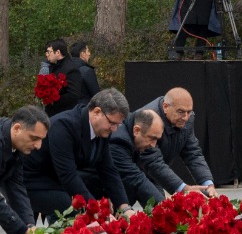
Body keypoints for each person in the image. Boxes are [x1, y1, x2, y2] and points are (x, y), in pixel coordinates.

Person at [22, 88, 130, 219]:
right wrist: (97, 208)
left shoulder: (102, 130)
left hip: (56, 181)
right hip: (32, 180)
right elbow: (68, 175)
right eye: (112, 123)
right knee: (69, 207)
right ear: (97, 112)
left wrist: (125, 208)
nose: (114, 129)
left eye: (118, 125)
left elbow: (108, 170)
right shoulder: (65, 126)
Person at [137, 89, 219, 199]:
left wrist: (208, 185)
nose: (185, 117)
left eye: (189, 112)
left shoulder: (187, 120)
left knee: (161, 210)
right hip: (131, 172)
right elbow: (153, 162)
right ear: (165, 107)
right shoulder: (148, 120)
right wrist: (184, 189)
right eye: (180, 112)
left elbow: (192, 153)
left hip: (152, 175)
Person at [108, 105, 171, 207]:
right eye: (152, 138)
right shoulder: (119, 142)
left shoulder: (140, 140)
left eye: (157, 140)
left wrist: (162, 204)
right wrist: (164, 209)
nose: (153, 145)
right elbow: (137, 180)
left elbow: (152, 177)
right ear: (136, 130)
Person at [42, 38, 87, 116]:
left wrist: (53, 99)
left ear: (58, 52)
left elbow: (73, 95)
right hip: (51, 112)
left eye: (49, 52)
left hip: (64, 113)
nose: (47, 54)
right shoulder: (52, 66)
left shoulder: (71, 68)